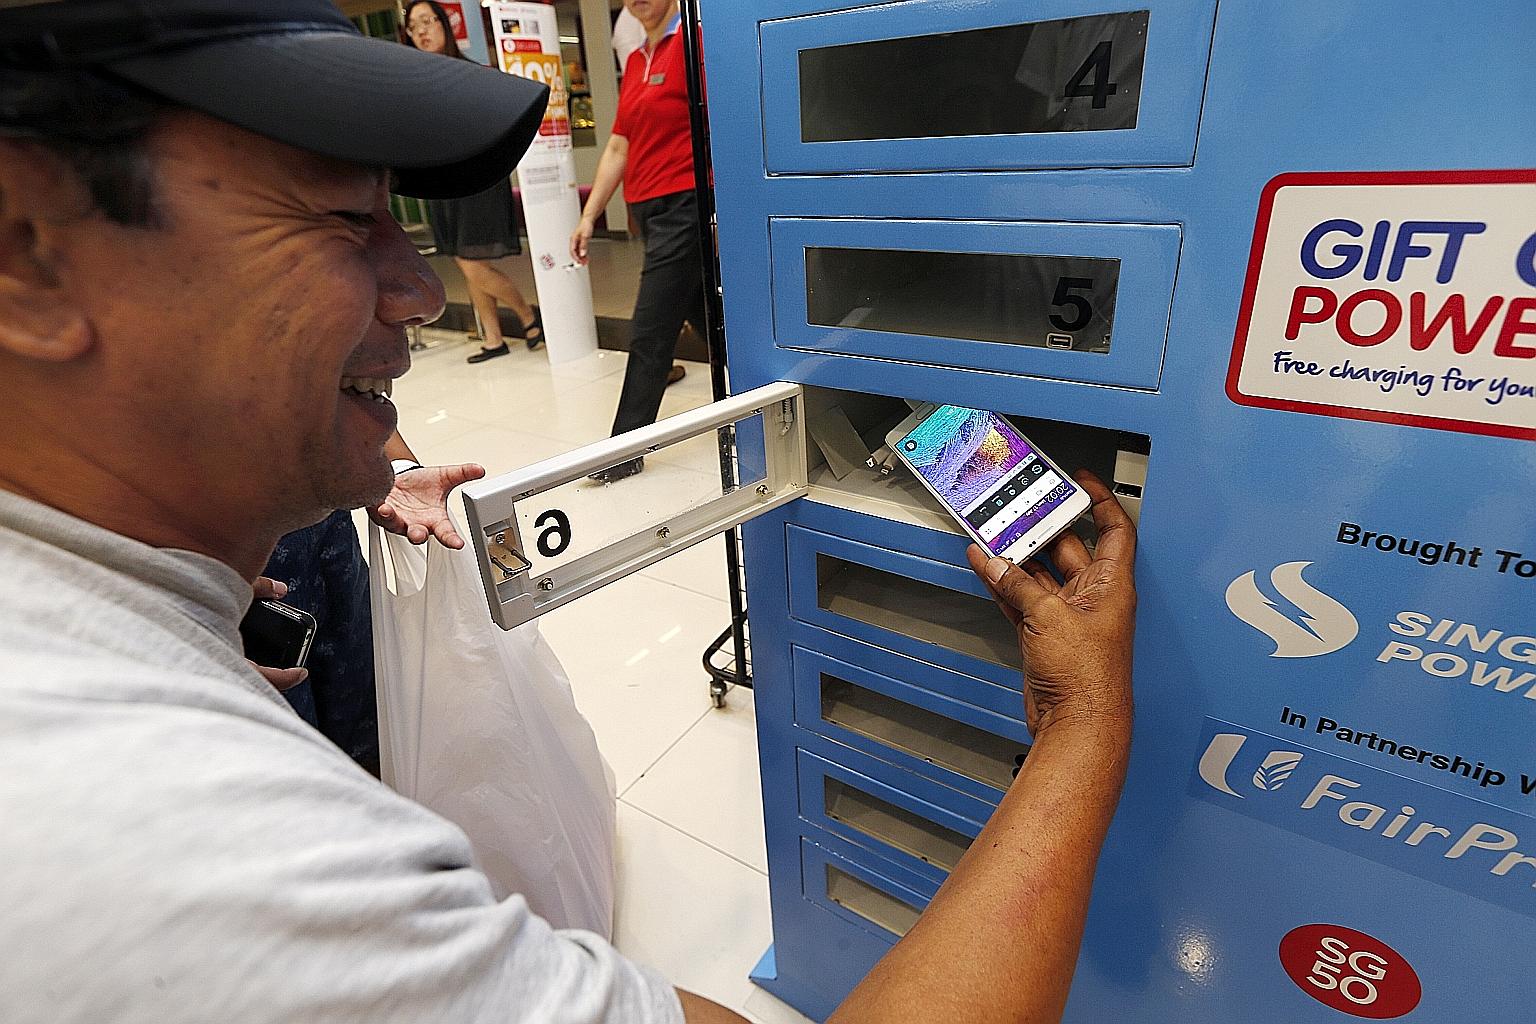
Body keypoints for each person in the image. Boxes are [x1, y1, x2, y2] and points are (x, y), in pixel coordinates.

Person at [0, 3, 1136, 1023]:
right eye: (347, 222)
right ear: (27, 259)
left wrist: (188, 613)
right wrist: (1084, 720)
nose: (421, 289)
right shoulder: (175, 853)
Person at [257, 429, 483, 774]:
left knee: (367, 713)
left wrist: (395, 468)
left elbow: (349, 387)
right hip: (221, 559)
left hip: (325, 534)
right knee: (283, 748)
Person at [572, 0, 700, 483]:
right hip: (649, 209)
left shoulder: (693, 44)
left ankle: (624, 449)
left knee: (650, 328)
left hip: (686, 203)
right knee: (705, 321)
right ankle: (752, 410)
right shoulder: (637, 59)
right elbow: (619, 145)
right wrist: (589, 216)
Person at [404, 0, 544, 362]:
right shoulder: (416, 79)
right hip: (444, 183)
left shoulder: (469, 74)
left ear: (444, 25)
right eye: (413, 25)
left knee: (470, 261)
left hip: (476, 179)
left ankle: (528, 315)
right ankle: (493, 339)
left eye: (427, 21)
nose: (421, 30)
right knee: (463, 259)